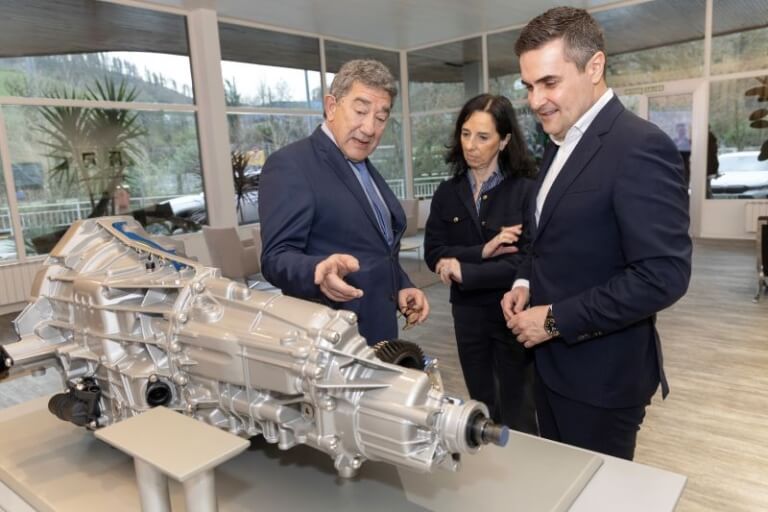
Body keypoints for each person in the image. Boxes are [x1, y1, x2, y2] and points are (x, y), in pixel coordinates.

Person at [501, 7, 692, 460]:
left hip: (601, 380)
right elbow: (543, 237)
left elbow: (662, 276)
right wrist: (524, 279)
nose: (536, 101)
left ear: (594, 66)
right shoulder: (560, 140)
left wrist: (552, 320)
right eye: (528, 86)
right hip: (550, 366)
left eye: (549, 82)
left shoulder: (640, 146)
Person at [258, 59, 429, 345]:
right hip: (331, 341)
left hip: (378, 332)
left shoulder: (363, 166)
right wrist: (317, 270)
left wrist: (401, 285)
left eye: (381, 117)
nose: (370, 128)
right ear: (331, 106)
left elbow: (377, 249)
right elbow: (275, 257)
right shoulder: (291, 165)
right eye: (360, 111)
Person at [423, 94, 538, 433]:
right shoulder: (447, 192)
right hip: (467, 317)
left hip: (512, 315)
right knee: (482, 408)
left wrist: (465, 269)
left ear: (504, 141)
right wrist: (483, 251)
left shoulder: (526, 191)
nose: (470, 145)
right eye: (465, 133)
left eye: (483, 137)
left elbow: (527, 259)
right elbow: (434, 252)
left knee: (519, 410)